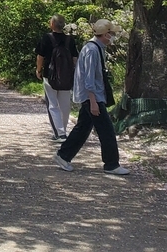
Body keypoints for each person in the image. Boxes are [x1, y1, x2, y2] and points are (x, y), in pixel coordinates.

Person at [55, 19, 130, 177]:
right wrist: (93, 102)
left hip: (93, 96)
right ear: (105, 34)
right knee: (106, 131)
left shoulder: (96, 48)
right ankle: (111, 164)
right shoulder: (92, 50)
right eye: (111, 33)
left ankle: (63, 155)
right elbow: (88, 79)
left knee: (83, 128)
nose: (113, 36)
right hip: (92, 97)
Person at [35, 15, 79, 140]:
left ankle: (59, 133)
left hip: (49, 76)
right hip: (66, 77)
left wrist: (38, 70)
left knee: (53, 104)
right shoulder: (70, 40)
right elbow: (75, 58)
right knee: (65, 105)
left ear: (52, 25)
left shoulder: (47, 38)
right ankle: (63, 130)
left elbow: (40, 56)